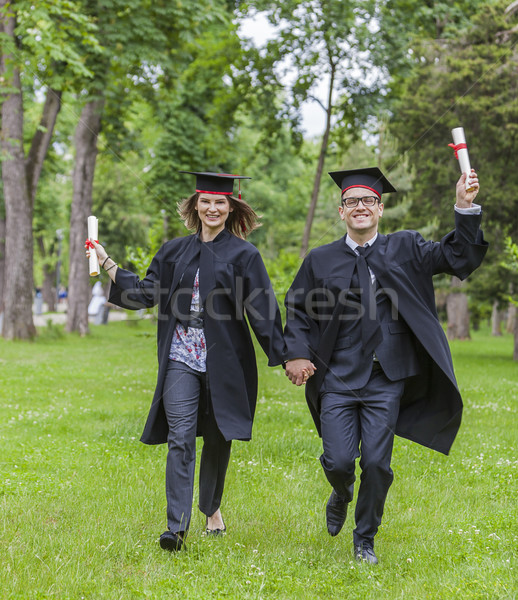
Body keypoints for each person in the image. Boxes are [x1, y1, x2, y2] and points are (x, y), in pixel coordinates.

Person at [283, 166, 487, 564]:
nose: (360, 207)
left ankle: (365, 539)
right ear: (341, 212)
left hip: (388, 376)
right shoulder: (320, 260)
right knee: (339, 460)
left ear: (380, 209)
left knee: (377, 463)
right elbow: (297, 310)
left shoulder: (406, 248)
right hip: (338, 376)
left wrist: (465, 207)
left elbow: (457, 255)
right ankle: (341, 491)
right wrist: (297, 352)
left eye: (368, 201)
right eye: (351, 202)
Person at [86, 172, 284, 552]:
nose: (212, 208)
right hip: (181, 354)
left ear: (231, 207)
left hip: (226, 358)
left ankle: (212, 508)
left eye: (220, 202)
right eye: (206, 201)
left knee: (218, 436)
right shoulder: (174, 250)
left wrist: (290, 356)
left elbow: (263, 312)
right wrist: (106, 260)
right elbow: (147, 293)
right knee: (180, 436)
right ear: (195, 205)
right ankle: (176, 528)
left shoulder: (245, 255)